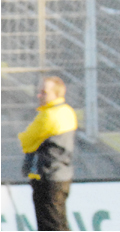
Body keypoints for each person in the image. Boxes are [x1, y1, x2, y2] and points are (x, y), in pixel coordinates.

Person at [18, 76, 78, 231]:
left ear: (56, 94)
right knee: (59, 222)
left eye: (44, 92)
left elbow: (26, 140)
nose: (39, 96)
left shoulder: (48, 115)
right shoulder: (68, 111)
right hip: (63, 176)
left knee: (49, 225)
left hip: (48, 177)